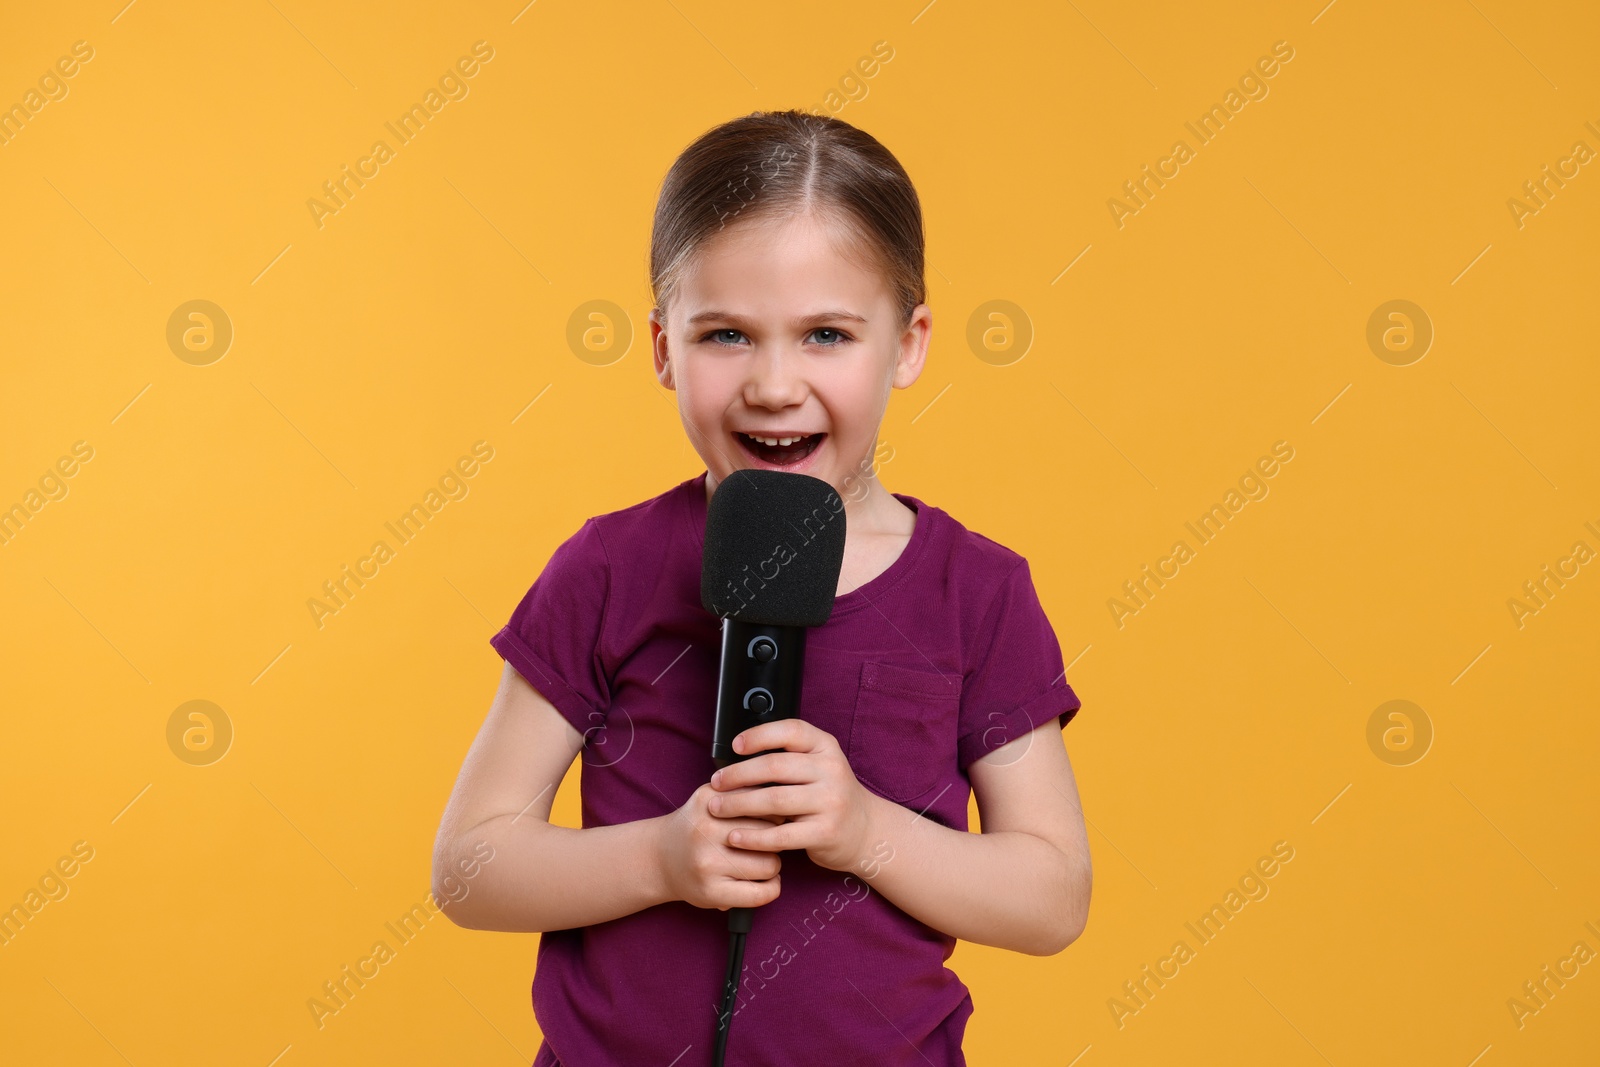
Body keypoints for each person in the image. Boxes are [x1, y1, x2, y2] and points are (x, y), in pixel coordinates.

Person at [432, 109, 1091, 1067]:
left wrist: (866, 831)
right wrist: (661, 858)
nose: (775, 385)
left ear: (906, 345)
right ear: (663, 349)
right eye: (727, 335)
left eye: (827, 334)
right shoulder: (608, 567)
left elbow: (1052, 897)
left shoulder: (975, 589)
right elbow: (469, 868)